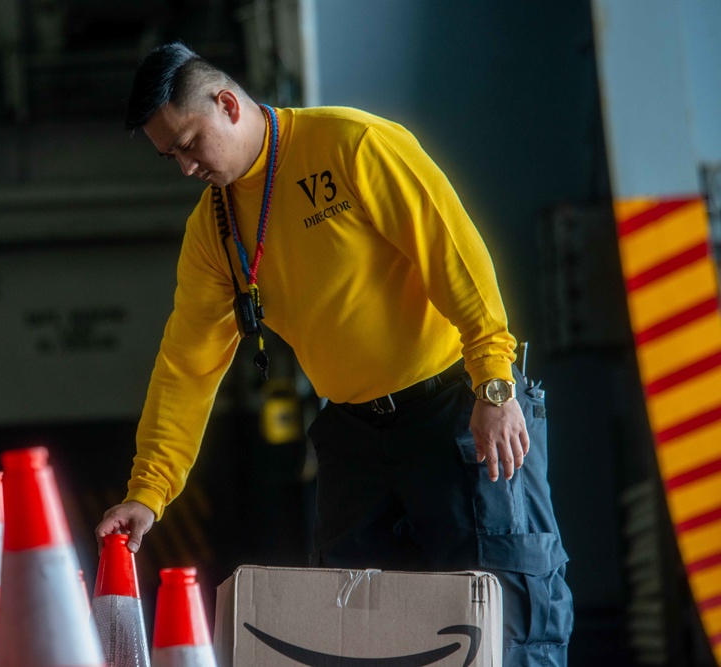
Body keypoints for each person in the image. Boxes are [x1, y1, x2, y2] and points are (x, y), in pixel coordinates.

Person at [95, 42, 573, 665]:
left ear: (228, 105)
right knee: (361, 636)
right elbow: (187, 366)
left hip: (456, 414)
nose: (185, 167)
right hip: (357, 442)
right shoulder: (214, 232)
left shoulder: (351, 146)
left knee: (508, 627)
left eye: (189, 144)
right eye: (171, 157)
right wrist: (149, 490)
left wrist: (493, 384)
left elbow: (455, 255)